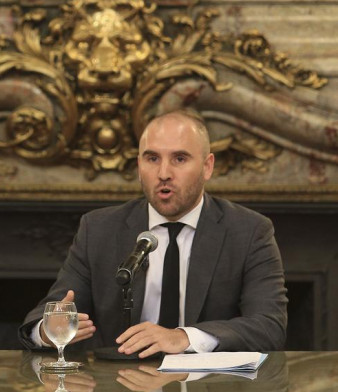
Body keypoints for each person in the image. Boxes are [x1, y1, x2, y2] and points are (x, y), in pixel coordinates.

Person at [19, 110, 288, 357]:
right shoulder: (98, 229)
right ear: (139, 165)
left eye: (179, 159)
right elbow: (46, 315)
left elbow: (269, 326)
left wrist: (184, 337)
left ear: (207, 166)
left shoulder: (249, 230)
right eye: (152, 159)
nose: (163, 173)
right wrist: (47, 331)